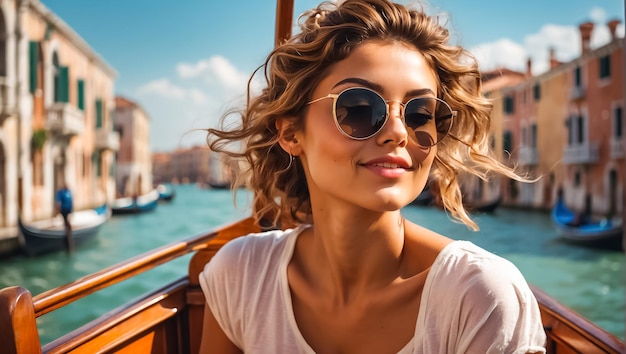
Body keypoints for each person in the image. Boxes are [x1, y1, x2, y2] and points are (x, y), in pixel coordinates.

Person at [199, 0, 547, 353]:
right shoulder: (241, 274)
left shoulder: (481, 297)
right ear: (291, 133)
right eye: (360, 108)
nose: (398, 132)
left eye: (419, 114)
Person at [55, 183, 73, 253]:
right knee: (66, 223)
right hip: (63, 210)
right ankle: (67, 230)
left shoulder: (69, 191)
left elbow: (71, 201)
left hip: (68, 210)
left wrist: (72, 211)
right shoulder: (61, 192)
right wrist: (57, 211)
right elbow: (58, 202)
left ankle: (67, 230)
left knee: (67, 223)